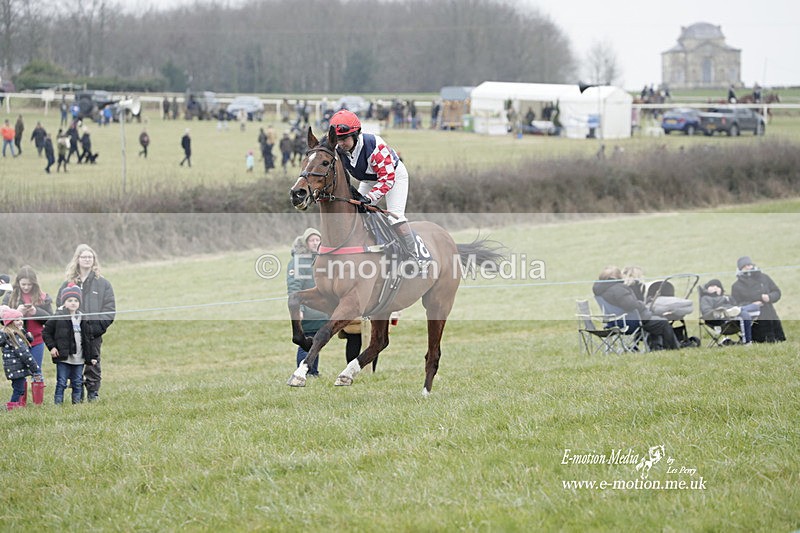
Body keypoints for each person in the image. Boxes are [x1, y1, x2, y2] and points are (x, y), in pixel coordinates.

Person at [328, 109, 427, 266]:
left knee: (396, 218)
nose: (340, 143)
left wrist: (369, 198)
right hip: (369, 179)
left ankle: (417, 256)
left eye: (344, 138)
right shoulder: (338, 149)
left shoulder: (375, 146)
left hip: (393, 176)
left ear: (355, 135)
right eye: (337, 139)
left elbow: (387, 179)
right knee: (355, 214)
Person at [57, 244, 115, 401]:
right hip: (72, 333)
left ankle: (92, 393)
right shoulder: (67, 284)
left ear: (94, 260)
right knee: (73, 363)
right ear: (78, 259)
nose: (87, 260)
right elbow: (59, 307)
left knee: (93, 363)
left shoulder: (103, 284)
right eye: (84, 257)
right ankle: (77, 395)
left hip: (93, 332)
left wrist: (96, 328)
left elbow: (109, 309)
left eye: (90, 257)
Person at [592, 266, 680, 350]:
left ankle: (656, 347)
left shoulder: (601, 290)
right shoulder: (618, 289)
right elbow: (630, 305)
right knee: (662, 322)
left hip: (613, 322)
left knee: (656, 320)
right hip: (629, 322)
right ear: (614, 277)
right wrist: (642, 304)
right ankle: (673, 348)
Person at [287, 228, 328, 377]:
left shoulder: (321, 259)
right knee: (306, 340)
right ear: (306, 242)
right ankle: (305, 371)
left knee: (317, 340)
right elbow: (294, 288)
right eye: (312, 240)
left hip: (322, 310)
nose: (315, 243)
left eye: (318, 240)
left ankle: (313, 372)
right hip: (308, 310)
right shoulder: (298, 261)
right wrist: (300, 309)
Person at [3, 266, 53, 383]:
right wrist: (16, 313)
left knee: (36, 371)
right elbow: (2, 319)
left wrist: (36, 312)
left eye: (29, 284)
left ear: (34, 284)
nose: (26, 287)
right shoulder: (10, 297)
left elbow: (51, 319)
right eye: (23, 284)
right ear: (18, 282)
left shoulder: (43, 297)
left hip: (37, 340)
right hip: (16, 341)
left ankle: (38, 400)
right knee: (20, 373)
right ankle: (20, 400)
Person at [43, 284, 88, 405]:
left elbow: (89, 339)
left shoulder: (83, 318)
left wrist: (92, 356)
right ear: (64, 302)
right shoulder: (58, 316)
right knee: (61, 382)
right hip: (63, 357)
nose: (73, 303)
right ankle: (58, 405)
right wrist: (52, 347)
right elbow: (46, 332)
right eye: (70, 300)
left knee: (78, 382)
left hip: (79, 358)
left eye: (76, 300)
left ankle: (76, 405)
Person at [731, 256, 785, 343]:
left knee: (777, 340)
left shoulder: (764, 278)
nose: (748, 268)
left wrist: (769, 297)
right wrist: (752, 305)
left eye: (749, 265)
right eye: (744, 266)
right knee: (760, 340)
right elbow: (736, 304)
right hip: (753, 318)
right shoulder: (736, 286)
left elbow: (777, 292)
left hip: (770, 314)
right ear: (740, 269)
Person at [2, 308, 43, 410]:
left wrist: (28, 337)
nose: (20, 321)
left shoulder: (15, 334)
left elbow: (26, 344)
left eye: (21, 319)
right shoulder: (13, 337)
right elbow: (24, 354)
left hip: (15, 368)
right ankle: (11, 406)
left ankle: (16, 405)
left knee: (19, 388)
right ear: (10, 322)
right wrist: (35, 368)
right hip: (16, 369)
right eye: (16, 320)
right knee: (19, 390)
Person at [699, 279, 759, 344]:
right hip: (721, 319)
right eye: (712, 286)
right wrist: (719, 309)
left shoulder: (728, 297)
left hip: (735, 314)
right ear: (707, 289)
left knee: (755, 307)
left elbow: (736, 304)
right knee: (744, 314)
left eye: (718, 287)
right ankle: (747, 341)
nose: (715, 288)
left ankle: (736, 311)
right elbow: (706, 311)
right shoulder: (706, 298)